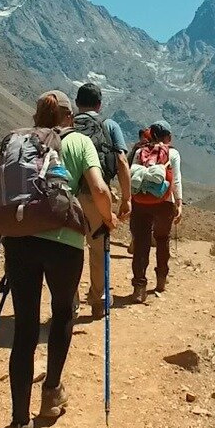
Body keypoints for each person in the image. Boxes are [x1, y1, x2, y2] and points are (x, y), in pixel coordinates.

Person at [4, 90, 115, 428]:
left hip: (20, 240)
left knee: (25, 329)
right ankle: (51, 393)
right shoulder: (80, 141)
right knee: (63, 312)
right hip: (65, 242)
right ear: (69, 117)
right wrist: (109, 218)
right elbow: (99, 188)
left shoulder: (21, 140)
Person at [73, 82, 132, 320]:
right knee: (98, 249)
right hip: (96, 194)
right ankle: (98, 301)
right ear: (99, 104)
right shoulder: (109, 125)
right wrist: (126, 198)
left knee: (70, 249)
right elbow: (122, 161)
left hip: (67, 195)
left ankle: (70, 304)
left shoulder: (67, 125)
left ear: (77, 103)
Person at [129, 120, 183, 303]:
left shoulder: (139, 152)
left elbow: (131, 175)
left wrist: (128, 200)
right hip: (164, 203)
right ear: (168, 136)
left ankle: (139, 288)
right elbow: (176, 180)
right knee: (162, 239)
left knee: (141, 243)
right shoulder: (173, 153)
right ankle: (161, 279)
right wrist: (179, 203)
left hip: (140, 202)